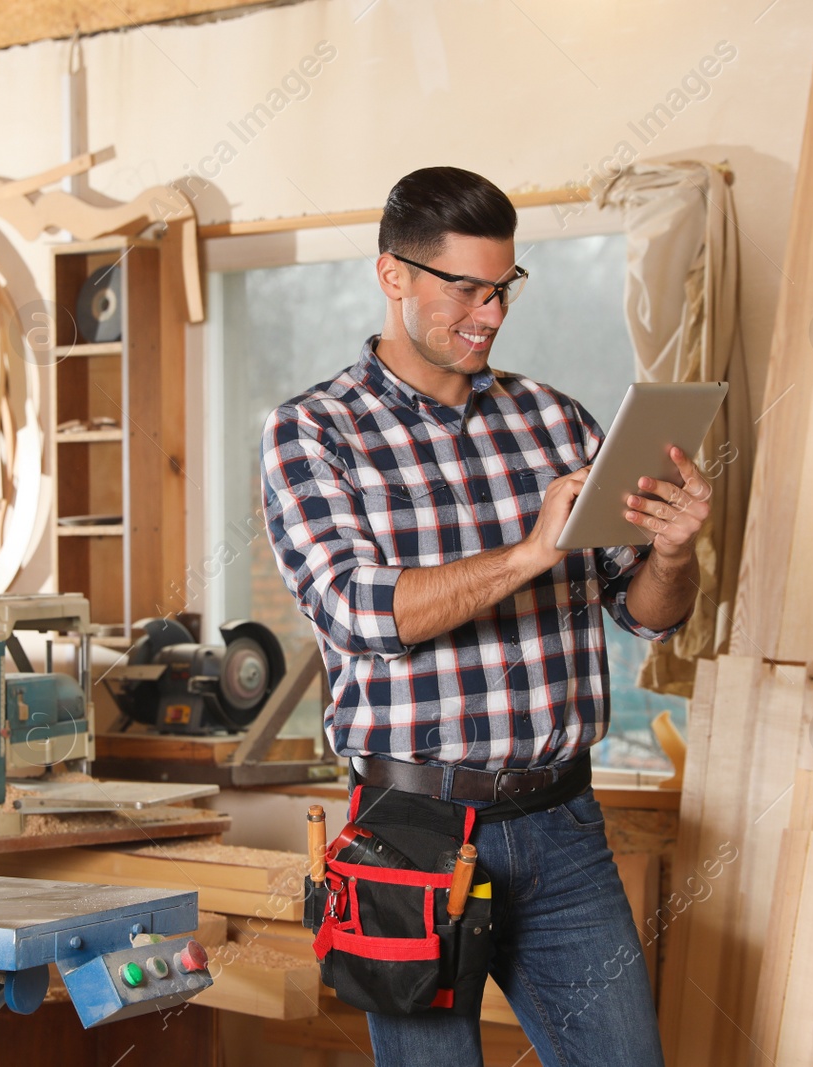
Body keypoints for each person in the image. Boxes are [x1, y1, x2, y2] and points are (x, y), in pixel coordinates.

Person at [260, 166, 707, 1067]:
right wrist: (531, 551)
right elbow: (359, 612)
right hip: (412, 831)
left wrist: (673, 551)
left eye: (502, 288)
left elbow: (648, 617)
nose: (491, 313)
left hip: (563, 823)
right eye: (464, 288)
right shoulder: (315, 431)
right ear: (395, 276)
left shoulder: (557, 422)